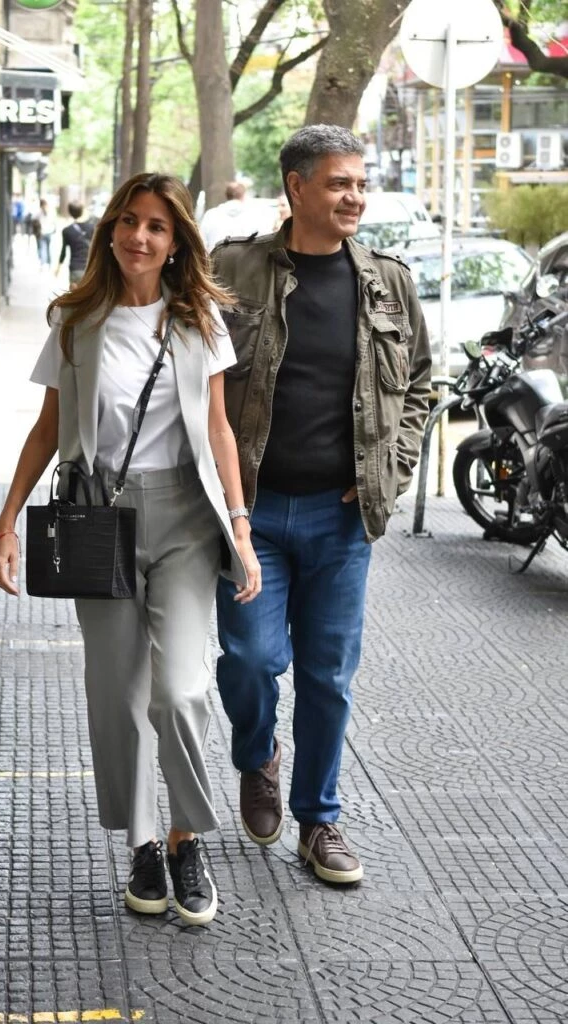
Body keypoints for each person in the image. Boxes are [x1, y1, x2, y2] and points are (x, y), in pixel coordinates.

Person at [0, 172, 261, 926]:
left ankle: (185, 837)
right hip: (96, 517)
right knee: (117, 696)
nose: (140, 237)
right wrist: (7, 522)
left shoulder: (198, 318)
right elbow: (49, 430)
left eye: (157, 227)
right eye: (129, 222)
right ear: (110, 230)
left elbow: (217, 431)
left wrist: (238, 527)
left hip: (183, 518)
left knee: (181, 690)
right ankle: (142, 842)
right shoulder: (76, 323)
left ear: (175, 244)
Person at [210, 125, 432, 886]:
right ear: (296, 187)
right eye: (339, 183)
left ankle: (319, 820)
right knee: (249, 659)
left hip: (342, 518)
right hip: (251, 514)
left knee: (328, 675)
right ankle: (256, 756)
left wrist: (389, 470)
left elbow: (421, 385)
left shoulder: (387, 282)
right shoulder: (234, 266)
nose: (355, 197)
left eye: (360, 185)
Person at [199, 181, 256, 251]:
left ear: (226, 195)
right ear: (243, 195)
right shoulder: (253, 215)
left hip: (216, 259)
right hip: (245, 260)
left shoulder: (210, 214)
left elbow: (202, 242)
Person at [56, 201, 96, 290]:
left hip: (75, 269)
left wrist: (58, 267)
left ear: (70, 213)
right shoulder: (93, 228)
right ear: (82, 211)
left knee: (75, 299)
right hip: (90, 269)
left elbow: (63, 252)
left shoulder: (67, 231)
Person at [37, 198, 56, 267]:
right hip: (49, 232)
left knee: (42, 248)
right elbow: (54, 222)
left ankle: (43, 263)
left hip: (42, 232)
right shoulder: (51, 212)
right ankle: (49, 263)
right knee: (48, 248)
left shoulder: (39, 213)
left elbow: (34, 219)